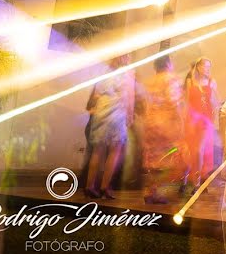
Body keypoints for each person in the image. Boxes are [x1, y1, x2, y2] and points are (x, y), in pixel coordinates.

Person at [84, 55, 135, 199]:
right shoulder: (128, 73)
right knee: (115, 150)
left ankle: (89, 187)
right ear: (126, 58)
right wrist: (130, 116)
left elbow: (95, 95)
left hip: (101, 111)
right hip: (116, 112)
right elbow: (129, 96)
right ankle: (105, 187)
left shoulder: (104, 71)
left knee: (97, 151)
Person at [141, 56, 186, 204]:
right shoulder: (170, 79)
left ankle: (150, 190)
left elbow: (143, 103)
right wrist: (180, 122)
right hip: (165, 123)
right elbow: (174, 102)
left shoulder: (149, 81)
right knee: (166, 159)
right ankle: (156, 191)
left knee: (153, 159)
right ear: (167, 64)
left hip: (150, 123)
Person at [184, 57, 219, 191]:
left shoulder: (211, 82)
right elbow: (187, 102)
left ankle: (197, 182)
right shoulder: (190, 81)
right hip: (192, 120)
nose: (207, 69)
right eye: (205, 66)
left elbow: (215, 101)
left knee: (199, 149)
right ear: (198, 67)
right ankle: (192, 179)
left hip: (205, 120)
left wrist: (214, 117)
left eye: (209, 67)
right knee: (192, 150)